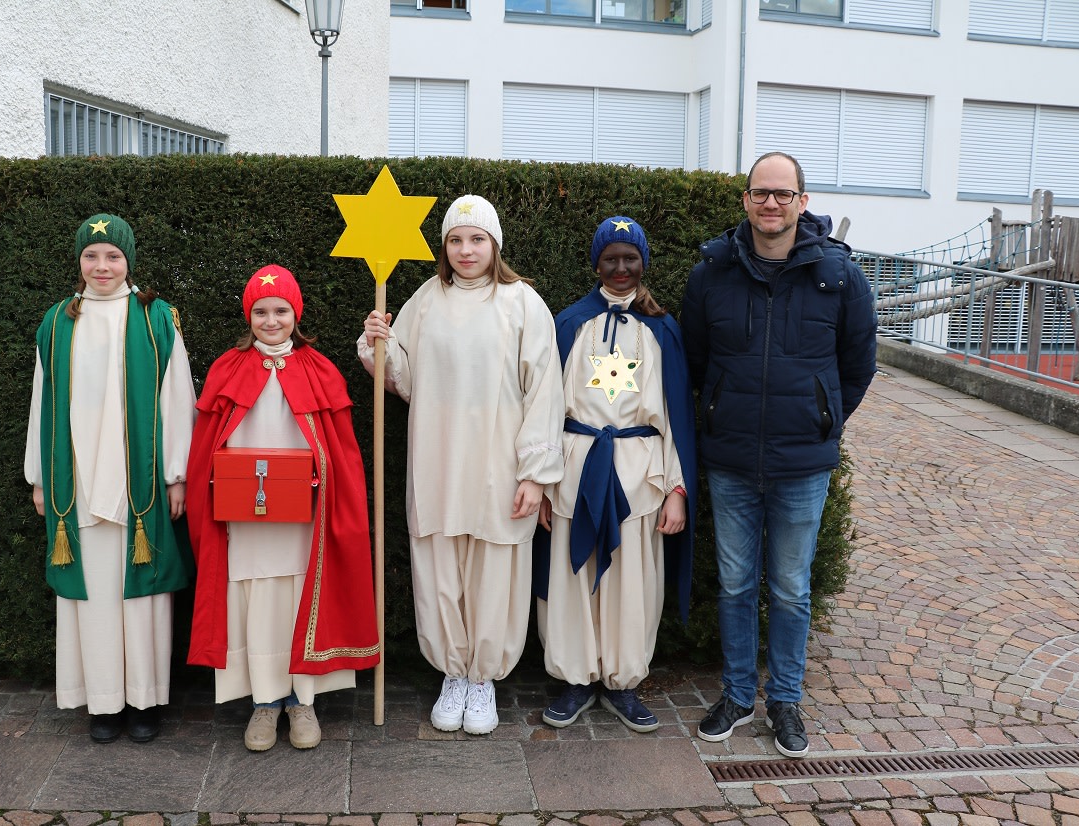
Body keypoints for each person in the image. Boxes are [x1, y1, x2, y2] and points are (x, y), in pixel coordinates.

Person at [681, 152, 878, 758]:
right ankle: (739, 694)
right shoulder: (711, 272)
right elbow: (694, 361)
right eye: (760, 193)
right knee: (737, 585)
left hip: (802, 465)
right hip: (732, 460)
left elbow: (858, 364)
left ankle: (785, 700)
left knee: (791, 588)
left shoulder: (839, 276)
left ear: (802, 200)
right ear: (745, 199)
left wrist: (822, 419)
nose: (771, 203)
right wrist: (716, 414)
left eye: (782, 194)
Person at [359, 195, 564, 736]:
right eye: (456, 239)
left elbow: (545, 389)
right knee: (440, 569)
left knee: (495, 572)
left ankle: (483, 679)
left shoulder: (522, 303)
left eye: (476, 239)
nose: (466, 249)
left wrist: (535, 476)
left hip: (499, 464)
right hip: (439, 459)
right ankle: (453, 672)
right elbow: (403, 378)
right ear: (443, 248)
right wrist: (377, 344)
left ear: (494, 244)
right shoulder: (426, 300)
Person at [187, 265, 379, 752]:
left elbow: (341, 452)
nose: (271, 321)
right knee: (254, 599)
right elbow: (206, 445)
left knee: (299, 598)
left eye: (281, 311)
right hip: (244, 518)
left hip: (303, 519)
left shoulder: (319, 369)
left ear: (297, 313)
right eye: (260, 311)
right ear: (248, 315)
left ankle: (302, 701)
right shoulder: (227, 369)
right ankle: (264, 703)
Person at [25, 213, 196, 744]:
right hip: (75, 482)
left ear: (129, 261)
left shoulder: (155, 319)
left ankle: (144, 701)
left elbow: (178, 398)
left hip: (137, 483)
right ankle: (101, 704)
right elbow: (41, 402)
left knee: (139, 598)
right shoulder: (57, 321)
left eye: (113, 256)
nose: (102, 266)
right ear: (79, 261)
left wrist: (177, 476)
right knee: (94, 595)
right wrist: (38, 477)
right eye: (92, 256)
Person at [534, 217, 699, 732]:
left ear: (643, 262)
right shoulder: (568, 324)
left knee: (633, 582)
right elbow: (542, 408)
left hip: (638, 475)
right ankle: (576, 678)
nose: (621, 268)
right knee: (573, 574)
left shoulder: (662, 329)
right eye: (611, 259)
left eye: (630, 258)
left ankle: (623, 682)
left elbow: (676, 417)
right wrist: (539, 479)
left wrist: (676, 489)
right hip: (575, 469)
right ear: (596, 263)